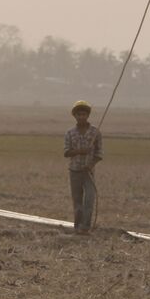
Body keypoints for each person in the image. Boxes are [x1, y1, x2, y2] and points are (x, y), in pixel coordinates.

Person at [63, 100, 102, 235]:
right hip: (74, 171)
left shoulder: (95, 132)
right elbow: (66, 152)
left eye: (84, 114)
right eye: (79, 114)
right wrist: (80, 151)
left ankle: (85, 227)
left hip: (88, 173)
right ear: (75, 116)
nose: (81, 117)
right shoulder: (70, 133)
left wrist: (91, 164)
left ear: (88, 115)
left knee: (89, 200)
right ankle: (77, 227)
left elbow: (99, 154)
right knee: (77, 202)